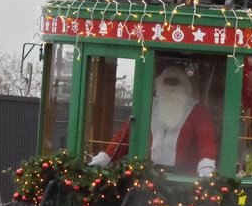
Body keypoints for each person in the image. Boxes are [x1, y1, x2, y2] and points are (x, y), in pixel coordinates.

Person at [89, 64, 218, 177]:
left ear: (184, 85)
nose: (171, 86)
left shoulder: (196, 109)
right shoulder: (149, 107)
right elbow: (125, 136)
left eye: (175, 82)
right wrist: (105, 158)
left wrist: (206, 167)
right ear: (160, 84)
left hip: (183, 176)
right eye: (167, 82)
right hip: (150, 176)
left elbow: (206, 141)